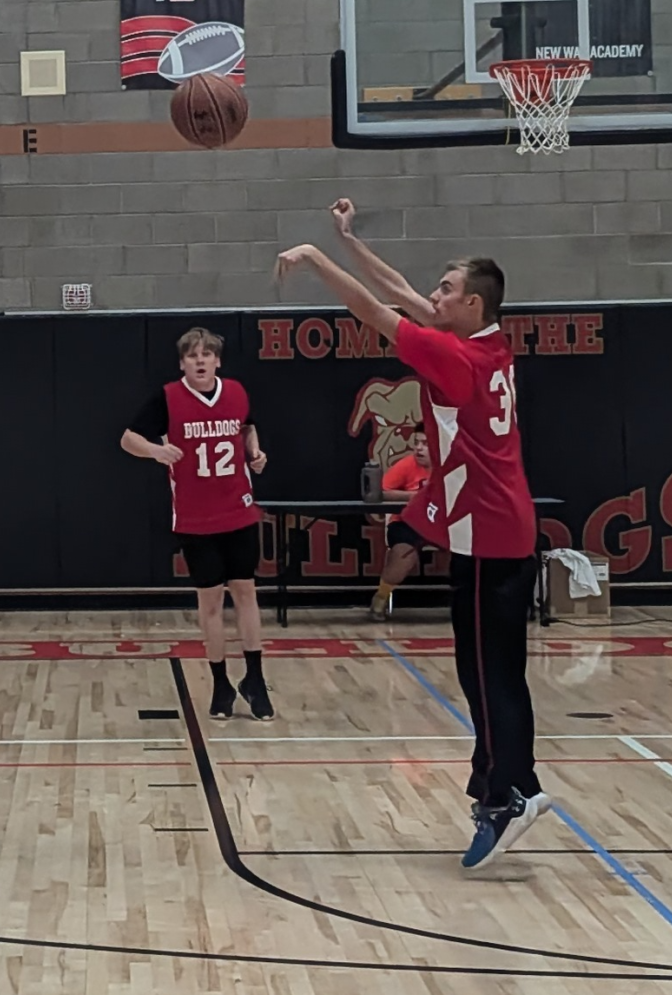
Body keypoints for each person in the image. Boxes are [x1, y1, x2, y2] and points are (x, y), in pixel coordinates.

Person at [275, 209, 549, 869]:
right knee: (488, 671)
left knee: (491, 678)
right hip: (497, 527)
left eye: (447, 288)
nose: (436, 294)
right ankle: (499, 789)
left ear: (473, 301)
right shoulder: (487, 343)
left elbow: (374, 308)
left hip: (488, 531)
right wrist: (350, 240)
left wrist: (316, 258)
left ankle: (515, 792)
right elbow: (398, 289)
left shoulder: (454, 357)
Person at [120, 327, 274, 721]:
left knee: (246, 593)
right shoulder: (169, 398)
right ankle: (220, 684)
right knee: (210, 602)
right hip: (195, 516)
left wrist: (254, 451)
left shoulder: (237, 392)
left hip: (238, 509)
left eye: (207, 354)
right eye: (192, 355)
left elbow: (248, 426)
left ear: (218, 360)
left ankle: (254, 679)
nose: (200, 360)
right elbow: (127, 439)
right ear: (182, 363)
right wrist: (156, 450)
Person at [372, 424, 432, 621]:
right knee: (403, 554)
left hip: (443, 523)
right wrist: (416, 497)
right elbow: (382, 493)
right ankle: (381, 596)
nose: (419, 448)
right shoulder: (406, 465)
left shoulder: (453, 467)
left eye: (425, 443)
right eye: (416, 443)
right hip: (407, 523)